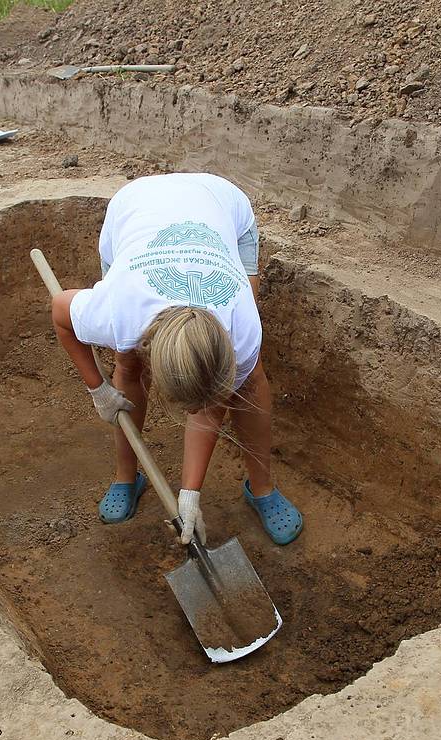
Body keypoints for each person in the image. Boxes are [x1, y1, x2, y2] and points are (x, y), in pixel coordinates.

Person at [50, 173, 303, 546]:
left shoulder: (242, 327)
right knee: (127, 364)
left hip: (221, 203)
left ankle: (261, 486)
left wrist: (190, 493)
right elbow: (60, 312)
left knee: (248, 381)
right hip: (133, 209)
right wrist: (98, 389)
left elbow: (211, 402)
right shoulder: (117, 313)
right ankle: (126, 475)